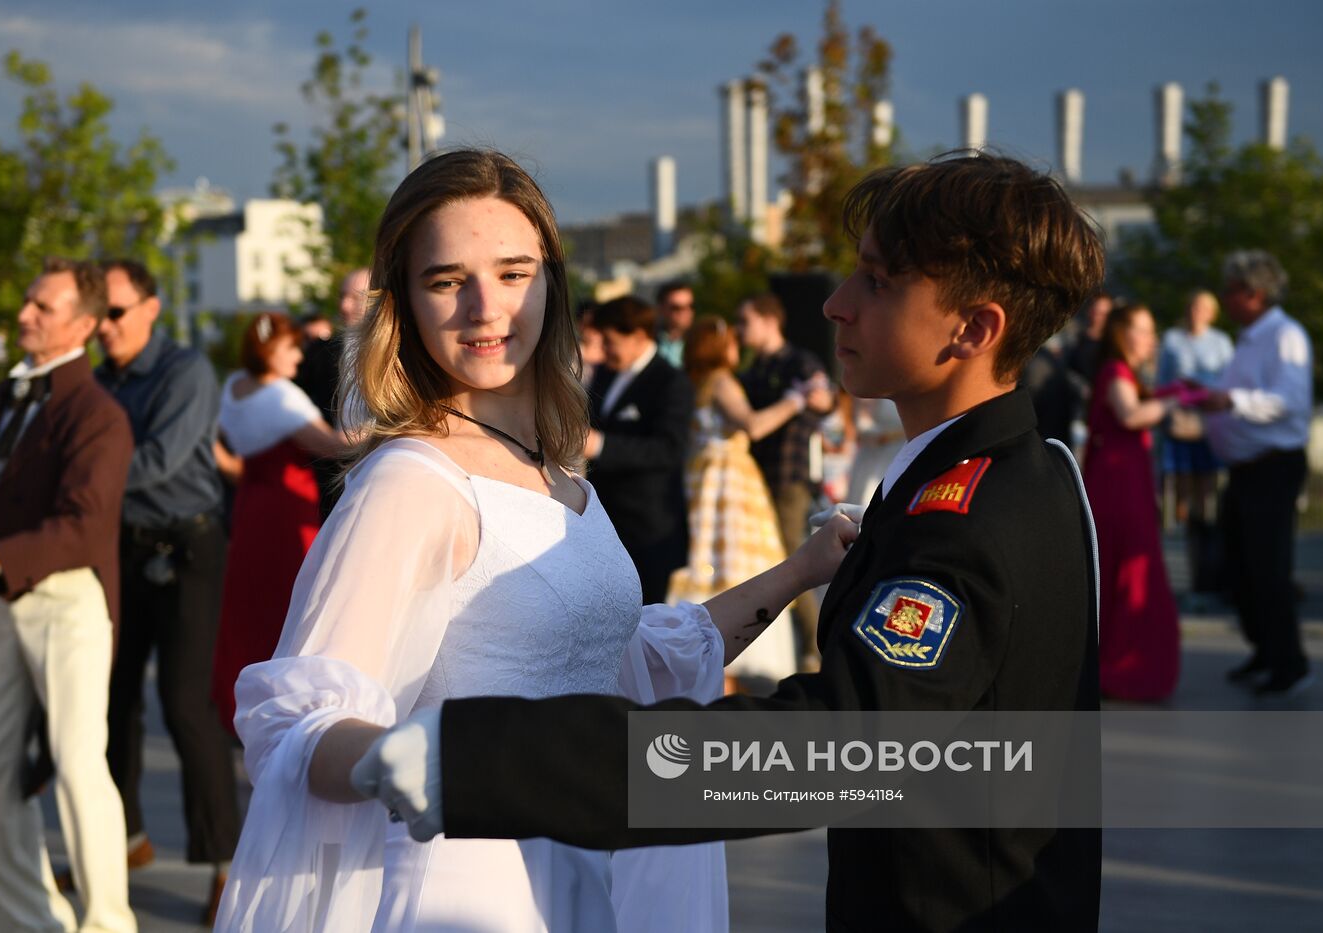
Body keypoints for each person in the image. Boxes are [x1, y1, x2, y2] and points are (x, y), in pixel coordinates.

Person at [371, 152, 1108, 933]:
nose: (836, 304)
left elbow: (828, 752)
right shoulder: (1006, 474)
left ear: (973, 328)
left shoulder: (968, 520)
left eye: (879, 282)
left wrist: (485, 759)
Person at [213, 148, 855, 932]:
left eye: (513, 272)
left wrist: (805, 568)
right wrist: (444, 756)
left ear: (552, 281)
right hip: (462, 889)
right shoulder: (410, 481)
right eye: (447, 280)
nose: (486, 307)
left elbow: (633, 660)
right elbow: (297, 725)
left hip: (583, 874)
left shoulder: (557, 473)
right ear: (404, 303)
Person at [0, 258, 137, 933]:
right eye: (27, 301)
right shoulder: (6, 395)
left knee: (78, 763)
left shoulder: (99, 414)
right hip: (2, 601)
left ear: (81, 323)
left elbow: (82, 526)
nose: (24, 314)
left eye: (42, 307)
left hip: (70, 601)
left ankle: (108, 923)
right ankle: (39, 922)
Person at [93, 258, 239, 921]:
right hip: (124, 549)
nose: (103, 326)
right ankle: (124, 839)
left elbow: (160, 460)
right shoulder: (98, 380)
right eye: (94, 314)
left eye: (115, 311)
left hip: (190, 548)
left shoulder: (185, 371)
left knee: (185, 704)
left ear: (151, 308)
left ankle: (225, 863)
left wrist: (77, 478)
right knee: (110, 698)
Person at [668, 316, 831, 686]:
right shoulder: (723, 381)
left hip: (700, 482)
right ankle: (744, 665)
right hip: (730, 483)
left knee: (707, 564)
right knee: (741, 565)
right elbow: (752, 425)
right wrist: (795, 400)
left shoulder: (693, 384)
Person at [209, 312, 345, 734]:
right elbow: (334, 445)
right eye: (290, 348)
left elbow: (218, 449)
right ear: (271, 350)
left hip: (250, 506)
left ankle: (241, 698)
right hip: (289, 512)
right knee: (294, 605)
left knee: (251, 604)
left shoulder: (233, 388)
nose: (298, 356)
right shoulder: (281, 397)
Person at [1201, 250, 1314, 696]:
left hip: (1273, 466)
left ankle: (1290, 663)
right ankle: (1266, 651)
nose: (1225, 299)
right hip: (1249, 468)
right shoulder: (1251, 337)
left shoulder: (1284, 335)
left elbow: (1289, 401)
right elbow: (1241, 394)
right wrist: (1211, 395)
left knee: (1268, 568)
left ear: (1255, 294)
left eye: (1231, 291)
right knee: (1242, 566)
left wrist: (1231, 403)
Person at [1083, 302, 1180, 702]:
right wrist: (1173, 403)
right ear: (1125, 334)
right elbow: (1131, 415)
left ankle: (1125, 663)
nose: (1152, 339)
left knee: (1127, 570)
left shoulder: (1123, 374)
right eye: (1146, 330)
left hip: (1127, 483)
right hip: (1117, 489)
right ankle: (1123, 666)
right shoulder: (1116, 372)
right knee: (1126, 571)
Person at [737, 292, 834, 669]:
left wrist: (811, 395)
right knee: (775, 563)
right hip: (757, 481)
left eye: (746, 321)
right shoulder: (753, 369)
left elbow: (824, 399)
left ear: (769, 320)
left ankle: (817, 648)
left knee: (794, 563)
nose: (741, 330)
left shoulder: (799, 361)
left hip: (790, 479)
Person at [585, 295, 694, 604]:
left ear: (638, 336)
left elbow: (669, 449)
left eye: (609, 341)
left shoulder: (671, 382)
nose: (603, 350)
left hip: (648, 530)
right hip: (606, 522)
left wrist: (601, 445)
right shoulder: (605, 374)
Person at [1156, 289, 1235, 597]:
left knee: (1208, 493)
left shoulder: (1221, 342)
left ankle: (1207, 557)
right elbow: (1162, 382)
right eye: (1194, 306)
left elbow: (1229, 381)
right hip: (1180, 424)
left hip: (1209, 424)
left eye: (1204, 307)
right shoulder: (1173, 340)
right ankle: (1188, 550)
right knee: (1181, 493)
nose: (1197, 312)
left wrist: (1203, 388)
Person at [296, 267, 372, 519]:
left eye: (355, 298)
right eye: (342, 297)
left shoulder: (402, 352)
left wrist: (371, 434)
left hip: (379, 463)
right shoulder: (323, 352)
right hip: (332, 472)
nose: (345, 306)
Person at [654, 279, 694, 368]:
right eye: (677, 308)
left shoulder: (701, 342)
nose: (686, 312)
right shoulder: (647, 341)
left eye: (690, 306)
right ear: (661, 309)